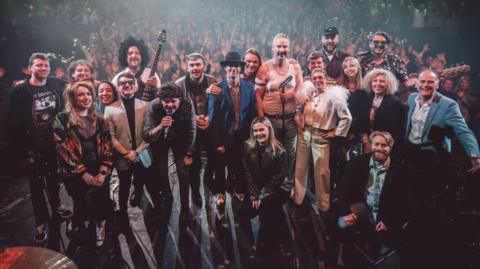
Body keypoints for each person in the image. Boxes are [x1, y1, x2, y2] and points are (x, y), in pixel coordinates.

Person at [403, 70, 480, 268]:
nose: (426, 85)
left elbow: (463, 130)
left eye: (430, 82)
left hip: (432, 159)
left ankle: (428, 247)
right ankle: (411, 237)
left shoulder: (448, 105)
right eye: (422, 82)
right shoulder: (412, 98)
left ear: (437, 83)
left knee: (428, 204)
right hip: (410, 155)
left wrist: (474, 153)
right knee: (410, 198)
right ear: (417, 83)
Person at [7, 52, 71, 244]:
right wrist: (21, 151)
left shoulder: (56, 84)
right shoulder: (20, 91)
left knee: (53, 178)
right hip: (33, 145)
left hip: (55, 142)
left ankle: (57, 207)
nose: (43, 68)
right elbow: (13, 122)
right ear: (30, 68)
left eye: (46, 65)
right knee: (36, 185)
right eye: (39, 65)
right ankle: (41, 221)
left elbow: (71, 96)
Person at [52, 81, 113, 247]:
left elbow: (107, 145)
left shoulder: (99, 119)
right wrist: (82, 172)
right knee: (81, 202)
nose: (86, 97)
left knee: (101, 200)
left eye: (88, 94)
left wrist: (103, 170)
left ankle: (101, 228)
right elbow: (62, 149)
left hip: (97, 168)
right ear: (73, 98)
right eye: (81, 94)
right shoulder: (62, 119)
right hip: (74, 172)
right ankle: (84, 225)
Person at [338, 131, 409, 269]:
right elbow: (342, 190)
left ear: (390, 148)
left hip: (384, 220)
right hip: (362, 214)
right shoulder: (358, 163)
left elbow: (405, 203)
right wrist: (347, 213)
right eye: (376, 144)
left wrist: (389, 222)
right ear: (371, 146)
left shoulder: (400, 170)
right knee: (341, 225)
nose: (380, 148)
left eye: (384, 145)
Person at [104, 72, 162, 229]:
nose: (127, 85)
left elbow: (149, 133)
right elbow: (112, 138)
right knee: (123, 187)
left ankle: (158, 211)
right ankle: (122, 215)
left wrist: (137, 151)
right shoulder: (109, 109)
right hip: (123, 157)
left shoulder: (144, 105)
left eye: (130, 82)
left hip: (143, 153)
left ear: (136, 86)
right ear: (118, 87)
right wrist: (126, 153)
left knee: (150, 184)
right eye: (123, 83)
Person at [293, 68, 352, 213]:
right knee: (300, 168)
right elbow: (298, 109)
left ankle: (323, 205)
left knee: (322, 172)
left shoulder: (334, 96)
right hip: (305, 133)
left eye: (320, 77)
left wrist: (335, 132)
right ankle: (298, 199)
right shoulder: (308, 94)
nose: (317, 80)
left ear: (325, 79)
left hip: (321, 135)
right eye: (314, 78)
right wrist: (298, 119)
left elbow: (347, 117)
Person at [208, 51, 257, 214]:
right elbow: (213, 119)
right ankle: (221, 193)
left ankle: (239, 190)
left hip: (242, 135)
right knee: (221, 167)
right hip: (224, 137)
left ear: (240, 69)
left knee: (241, 165)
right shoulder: (217, 90)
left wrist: (251, 137)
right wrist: (217, 142)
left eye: (237, 66)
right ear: (225, 69)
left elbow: (253, 114)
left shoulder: (249, 87)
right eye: (231, 66)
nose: (234, 69)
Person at [242, 116, 292, 268]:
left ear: (269, 129)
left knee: (268, 216)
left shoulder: (280, 151)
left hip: (277, 189)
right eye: (255, 130)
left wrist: (261, 196)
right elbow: (248, 174)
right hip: (258, 187)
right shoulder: (247, 146)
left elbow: (278, 179)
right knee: (246, 212)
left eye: (261, 130)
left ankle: (271, 251)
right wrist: (253, 195)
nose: (258, 134)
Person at [143, 82, 196, 218]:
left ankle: (185, 207)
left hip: (180, 138)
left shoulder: (187, 104)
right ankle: (168, 198)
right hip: (160, 140)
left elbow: (192, 130)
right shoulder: (153, 106)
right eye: (166, 102)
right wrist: (160, 126)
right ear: (160, 101)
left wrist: (189, 153)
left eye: (173, 101)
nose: (170, 105)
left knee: (183, 173)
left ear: (180, 99)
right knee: (162, 172)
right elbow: (147, 135)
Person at [255, 33, 303, 175]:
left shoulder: (295, 66)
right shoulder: (265, 68)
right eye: (278, 46)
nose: (281, 49)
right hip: (271, 120)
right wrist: (262, 120)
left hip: (290, 120)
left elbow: (301, 89)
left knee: (290, 156)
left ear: (289, 48)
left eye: (284, 46)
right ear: (273, 48)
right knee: (272, 155)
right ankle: (272, 191)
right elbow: (258, 95)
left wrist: (291, 94)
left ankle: (286, 189)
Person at [175, 52, 217, 207]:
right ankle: (195, 193)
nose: (195, 68)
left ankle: (207, 179)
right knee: (195, 165)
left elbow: (217, 104)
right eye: (192, 65)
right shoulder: (179, 84)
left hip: (208, 126)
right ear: (187, 67)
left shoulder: (212, 81)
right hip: (190, 130)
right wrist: (193, 119)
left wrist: (208, 118)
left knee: (214, 157)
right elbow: (176, 109)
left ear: (204, 66)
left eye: (198, 64)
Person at [362, 68, 406, 155]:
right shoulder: (366, 98)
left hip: (385, 145)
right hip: (366, 142)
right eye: (375, 81)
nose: (378, 84)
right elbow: (361, 123)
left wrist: (379, 145)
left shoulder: (395, 102)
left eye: (382, 81)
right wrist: (366, 142)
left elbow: (396, 131)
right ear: (370, 83)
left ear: (388, 84)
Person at [112, 37, 161, 101]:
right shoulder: (118, 78)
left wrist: (155, 88)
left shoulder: (152, 74)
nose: (134, 55)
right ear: (125, 56)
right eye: (130, 53)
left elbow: (160, 99)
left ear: (142, 56)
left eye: (137, 53)